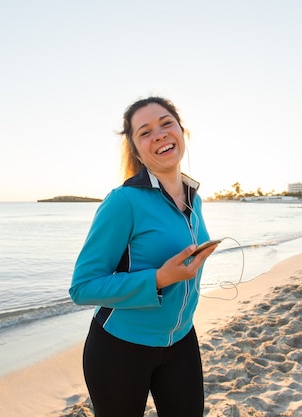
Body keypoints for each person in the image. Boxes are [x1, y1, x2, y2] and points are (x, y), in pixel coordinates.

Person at [69, 96, 218, 417]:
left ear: (182, 131)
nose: (160, 134)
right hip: (119, 348)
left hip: (181, 340)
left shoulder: (195, 199)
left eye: (166, 124)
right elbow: (82, 288)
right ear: (136, 150)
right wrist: (160, 278)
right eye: (146, 131)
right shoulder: (123, 201)